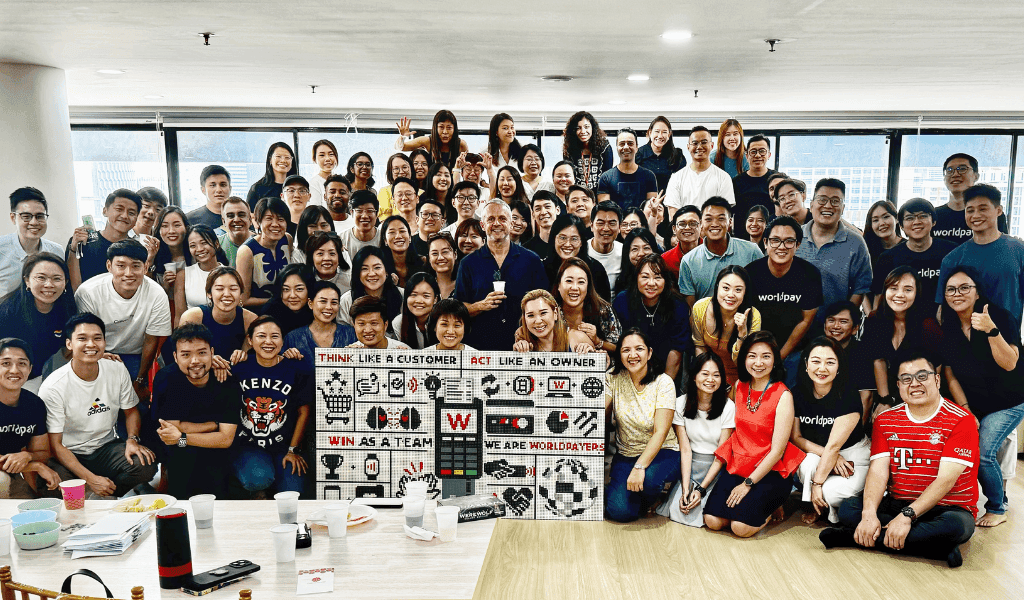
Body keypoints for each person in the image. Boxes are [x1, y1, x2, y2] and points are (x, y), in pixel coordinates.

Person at [819, 352, 978, 568]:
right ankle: (937, 548)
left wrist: (907, 517)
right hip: (898, 501)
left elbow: (945, 481)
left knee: (956, 528)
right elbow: (878, 471)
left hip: (947, 507)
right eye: (906, 378)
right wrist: (869, 515)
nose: (914, 384)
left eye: (922, 376)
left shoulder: (961, 420)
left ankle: (853, 538)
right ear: (898, 385)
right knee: (849, 510)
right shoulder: (885, 420)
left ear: (937, 380)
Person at [939, 267, 1024, 528]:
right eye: (951, 289)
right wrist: (965, 409)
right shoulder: (948, 324)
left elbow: (1010, 364)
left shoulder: (999, 317)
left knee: (984, 452)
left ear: (977, 293)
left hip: (1008, 401)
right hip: (973, 403)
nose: (957, 294)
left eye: (965, 287)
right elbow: (950, 374)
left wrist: (991, 331)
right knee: (963, 447)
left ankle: (997, 507)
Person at [41, 313, 158, 497]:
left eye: (97, 338)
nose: (91, 344)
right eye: (82, 339)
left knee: (145, 463)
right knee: (55, 485)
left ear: (104, 342)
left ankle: (104, 493)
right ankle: (92, 489)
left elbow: (131, 412)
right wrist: (90, 479)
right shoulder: (53, 387)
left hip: (105, 447)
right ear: (69, 344)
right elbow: (55, 445)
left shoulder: (116, 368)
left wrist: (132, 440)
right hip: (69, 452)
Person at [703, 331, 805, 537]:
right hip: (739, 465)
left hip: (770, 471)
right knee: (712, 521)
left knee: (740, 528)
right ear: (744, 359)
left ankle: (771, 508)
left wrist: (748, 484)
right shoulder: (739, 386)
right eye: (752, 356)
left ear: (775, 360)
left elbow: (777, 451)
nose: (758, 363)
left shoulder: (783, 395)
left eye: (766, 356)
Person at [75, 240, 173, 398]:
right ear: (109, 266)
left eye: (136, 266)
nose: (128, 273)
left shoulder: (157, 294)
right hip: (99, 352)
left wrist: (140, 380)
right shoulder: (88, 292)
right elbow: (86, 335)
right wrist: (98, 356)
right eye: (121, 266)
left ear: (145, 267)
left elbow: (151, 340)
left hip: (136, 354)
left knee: (139, 401)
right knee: (97, 398)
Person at [151, 324, 239, 499]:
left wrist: (182, 435)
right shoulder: (166, 379)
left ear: (212, 353)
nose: (195, 361)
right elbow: (169, 431)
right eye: (186, 354)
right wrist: (213, 426)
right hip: (180, 451)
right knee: (182, 490)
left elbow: (225, 439)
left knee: (218, 494)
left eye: (202, 353)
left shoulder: (226, 380)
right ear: (175, 357)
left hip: (216, 452)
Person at [790, 337, 870, 524]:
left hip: (852, 455)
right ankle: (814, 505)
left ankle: (827, 499)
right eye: (816, 361)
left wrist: (817, 483)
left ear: (839, 366)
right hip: (821, 452)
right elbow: (796, 437)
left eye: (830, 362)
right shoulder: (797, 393)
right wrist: (832, 457)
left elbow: (834, 446)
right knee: (807, 462)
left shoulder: (848, 395)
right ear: (806, 364)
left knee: (830, 494)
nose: (822, 368)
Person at [232, 315, 314, 496]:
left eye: (275, 336)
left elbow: (304, 412)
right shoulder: (239, 367)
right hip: (249, 446)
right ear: (250, 340)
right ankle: (256, 493)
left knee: (292, 493)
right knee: (258, 479)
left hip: (285, 447)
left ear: (283, 340)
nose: (268, 342)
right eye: (261, 336)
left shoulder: (296, 368)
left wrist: (292, 450)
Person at [604, 328, 680, 522]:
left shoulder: (664, 382)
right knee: (619, 513)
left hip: (663, 451)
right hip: (626, 453)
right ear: (619, 354)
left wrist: (640, 467)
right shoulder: (613, 378)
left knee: (649, 481)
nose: (633, 355)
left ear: (649, 353)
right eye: (626, 350)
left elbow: (660, 432)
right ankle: (632, 496)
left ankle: (653, 495)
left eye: (639, 349)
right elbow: (598, 412)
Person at [455, 200, 548, 351]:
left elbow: (545, 303)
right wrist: (480, 306)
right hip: (479, 348)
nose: (497, 223)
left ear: (511, 224)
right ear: (483, 225)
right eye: (491, 219)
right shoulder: (467, 263)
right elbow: (457, 308)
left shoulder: (532, 260)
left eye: (502, 218)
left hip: (524, 347)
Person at [656, 352, 735, 526]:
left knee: (708, 516)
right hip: (690, 467)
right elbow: (685, 450)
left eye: (716, 375)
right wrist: (686, 488)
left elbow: (721, 455)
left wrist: (701, 489)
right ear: (694, 376)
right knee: (681, 509)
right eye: (705, 374)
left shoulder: (728, 407)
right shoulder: (680, 403)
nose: (710, 380)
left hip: (716, 469)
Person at [745, 216, 823, 386]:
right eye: (775, 240)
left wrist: (778, 358)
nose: (781, 247)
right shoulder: (750, 273)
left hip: (795, 351)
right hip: (757, 350)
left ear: (797, 244)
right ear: (765, 243)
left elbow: (806, 320)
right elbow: (746, 319)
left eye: (789, 241)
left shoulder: (810, 274)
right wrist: (762, 356)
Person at [937, 184, 1024, 328]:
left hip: (1007, 335)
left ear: (998, 210)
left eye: (983, 209)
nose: (975, 215)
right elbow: (943, 309)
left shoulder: (1019, 250)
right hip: (966, 337)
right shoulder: (952, 259)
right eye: (970, 210)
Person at [862, 266, 941, 409]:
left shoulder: (928, 325)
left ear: (917, 293)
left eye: (908, 290)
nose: (899, 294)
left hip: (921, 392)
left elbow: (936, 367)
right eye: (893, 288)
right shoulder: (875, 319)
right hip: (888, 391)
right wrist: (885, 400)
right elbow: (878, 361)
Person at [0, 253, 77, 392]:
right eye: (41, 278)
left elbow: (70, 345)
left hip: (39, 376)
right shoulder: (7, 312)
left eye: (57, 279)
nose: (49, 285)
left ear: (65, 282)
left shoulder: (67, 309)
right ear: (27, 281)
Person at [795, 178, 872, 317]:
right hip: (793, 324)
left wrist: (842, 320)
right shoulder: (794, 236)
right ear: (811, 205)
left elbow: (860, 288)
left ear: (842, 209)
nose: (828, 205)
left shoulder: (856, 243)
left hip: (834, 326)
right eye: (822, 199)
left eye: (835, 201)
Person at [612, 254, 691, 382]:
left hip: (666, 370)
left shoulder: (677, 305)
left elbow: (676, 350)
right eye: (645, 277)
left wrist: (664, 386)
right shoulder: (622, 301)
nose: (651, 283)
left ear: (665, 280)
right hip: (629, 368)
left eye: (657, 277)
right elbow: (617, 343)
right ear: (636, 278)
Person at [0, 338, 61, 498]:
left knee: (33, 502)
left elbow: (42, 451)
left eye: (22, 363)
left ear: (30, 369)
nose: (14, 370)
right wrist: (36, 466)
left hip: (11, 471)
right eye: (6, 363)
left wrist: (28, 456)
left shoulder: (34, 404)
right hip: (4, 474)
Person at [871, 198, 955, 313]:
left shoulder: (951, 252)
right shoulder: (887, 258)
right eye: (909, 218)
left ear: (934, 221)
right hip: (902, 319)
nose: (916, 222)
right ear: (901, 225)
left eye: (923, 216)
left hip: (944, 318)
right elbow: (879, 298)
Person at [678, 197, 763, 307]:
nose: (714, 224)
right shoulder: (689, 261)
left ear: (730, 222)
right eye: (708, 219)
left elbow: (764, 290)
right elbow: (691, 308)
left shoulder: (752, 251)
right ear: (701, 223)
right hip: (705, 318)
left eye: (721, 218)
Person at [690, 266, 761, 386]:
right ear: (717, 287)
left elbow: (748, 362)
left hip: (742, 375)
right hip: (712, 372)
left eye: (738, 290)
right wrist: (709, 377)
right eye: (726, 288)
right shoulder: (700, 308)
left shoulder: (753, 316)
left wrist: (742, 334)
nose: (731, 295)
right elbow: (699, 346)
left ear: (745, 292)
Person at [179, 265, 257, 362]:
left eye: (233, 289)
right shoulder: (192, 317)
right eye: (219, 289)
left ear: (241, 293)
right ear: (209, 293)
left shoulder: (251, 320)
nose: (227, 294)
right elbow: (183, 355)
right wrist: (206, 359)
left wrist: (243, 355)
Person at [67, 188, 141, 289]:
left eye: (131, 213)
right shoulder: (84, 241)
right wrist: (73, 249)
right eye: (119, 209)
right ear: (105, 211)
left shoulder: (138, 248)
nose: (124, 216)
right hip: (86, 298)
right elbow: (73, 286)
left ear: (136, 219)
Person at [1, 187, 64, 298]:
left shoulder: (56, 251)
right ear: (13, 218)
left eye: (40, 216)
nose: (34, 222)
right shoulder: (2, 248)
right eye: (26, 216)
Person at [933, 153, 1008, 245]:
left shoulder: (991, 214)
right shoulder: (934, 215)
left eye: (962, 169)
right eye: (949, 170)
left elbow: (1002, 246)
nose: (955, 174)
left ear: (976, 176)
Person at [665, 127, 735, 219]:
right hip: (685, 227)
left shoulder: (723, 177)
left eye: (704, 142)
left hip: (713, 227)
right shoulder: (676, 178)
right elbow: (673, 215)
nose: (699, 147)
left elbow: (725, 214)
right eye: (695, 143)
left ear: (712, 145)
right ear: (688, 147)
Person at [552, 257, 620, 353]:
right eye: (569, 281)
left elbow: (619, 348)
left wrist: (597, 341)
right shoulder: (549, 310)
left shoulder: (603, 310)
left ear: (588, 287)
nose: (574, 287)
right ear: (558, 285)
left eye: (581, 282)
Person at [285, 281, 357, 371]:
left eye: (334, 302)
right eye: (323, 301)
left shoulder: (351, 334)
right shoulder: (293, 338)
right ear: (310, 303)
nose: (329, 307)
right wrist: (286, 356)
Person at [237, 196, 292, 308]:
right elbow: (243, 300)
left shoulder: (287, 240)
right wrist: (279, 300)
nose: (275, 224)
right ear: (258, 221)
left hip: (287, 308)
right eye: (269, 218)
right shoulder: (246, 251)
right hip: (258, 313)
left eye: (281, 219)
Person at [545, 214, 612, 301]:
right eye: (562, 238)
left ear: (581, 242)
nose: (567, 244)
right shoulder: (543, 268)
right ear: (553, 239)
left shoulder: (596, 269)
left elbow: (605, 305)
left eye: (574, 239)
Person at [597, 128, 659, 213]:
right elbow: (605, 212)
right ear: (617, 147)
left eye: (630, 143)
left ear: (636, 147)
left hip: (641, 221)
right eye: (622, 144)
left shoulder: (649, 176)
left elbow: (650, 210)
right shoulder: (606, 178)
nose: (626, 147)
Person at [339, 246, 404, 329]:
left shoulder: (403, 295)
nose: (372, 274)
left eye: (377, 267)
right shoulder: (347, 300)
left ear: (386, 271)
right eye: (364, 269)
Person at [512, 289, 594, 353]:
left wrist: (592, 354)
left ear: (555, 313)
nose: (538, 321)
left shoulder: (577, 338)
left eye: (543, 313)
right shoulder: (522, 339)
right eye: (530, 315)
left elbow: (599, 365)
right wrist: (518, 354)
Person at [395, 110, 468, 169]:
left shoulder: (461, 144)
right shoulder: (427, 141)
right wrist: (403, 136)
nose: (445, 132)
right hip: (430, 181)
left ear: (454, 129)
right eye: (441, 127)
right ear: (435, 128)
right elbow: (401, 147)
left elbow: (467, 167)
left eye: (449, 128)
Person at [731, 134, 775, 233]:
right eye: (753, 152)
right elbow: (729, 212)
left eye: (762, 151)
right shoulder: (736, 182)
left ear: (769, 155)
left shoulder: (777, 180)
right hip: (742, 237)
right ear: (747, 156)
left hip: (771, 236)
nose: (758, 155)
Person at [179, 224, 229, 312]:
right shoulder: (183, 275)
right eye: (193, 246)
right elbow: (179, 316)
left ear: (216, 244)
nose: (199, 249)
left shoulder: (230, 274)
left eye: (204, 243)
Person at [562, 111, 614, 190]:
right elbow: (569, 175)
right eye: (578, 128)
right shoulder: (569, 149)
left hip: (601, 192)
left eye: (586, 127)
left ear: (593, 128)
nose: (583, 131)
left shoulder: (604, 147)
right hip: (577, 192)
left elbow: (608, 175)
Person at [259, 264, 313, 336]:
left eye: (299, 289)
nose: (292, 295)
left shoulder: (316, 310)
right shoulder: (269, 311)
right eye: (286, 289)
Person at [636, 116, 686, 192]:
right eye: (657, 131)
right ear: (650, 133)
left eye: (664, 132)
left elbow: (683, 184)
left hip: (670, 199)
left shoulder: (677, 156)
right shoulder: (638, 155)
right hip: (644, 199)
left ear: (669, 134)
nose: (660, 136)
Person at [393, 272, 439, 349]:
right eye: (413, 295)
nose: (419, 301)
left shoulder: (444, 321)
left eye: (426, 296)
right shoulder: (399, 322)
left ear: (435, 299)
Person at [151, 206, 191, 295]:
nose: (171, 231)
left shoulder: (195, 253)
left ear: (186, 227)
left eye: (177, 225)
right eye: (164, 226)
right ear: (158, 230)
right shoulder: (154, 256)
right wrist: (165, 286)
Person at [245, 142, 297, 210]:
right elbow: (250, 214)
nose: (283, 160)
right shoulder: (257, 188)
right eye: (278, 156)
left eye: (287, 157)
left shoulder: (298, 187)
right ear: (270, 160)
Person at [347, 296, 412, 349]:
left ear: (385, 325)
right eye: (361, 324)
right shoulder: (350, 352)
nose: (368, 330)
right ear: (354, 326)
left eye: (374, 323)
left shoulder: (404, 351)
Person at [380, 215, 426, 289]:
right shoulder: (380, 268)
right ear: (385, 240)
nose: (398, 236)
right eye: (392, 232)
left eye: (402, 231)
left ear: (410, 237)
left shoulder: (424, 262)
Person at [613, 227, 661, 298]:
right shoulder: (621, 283)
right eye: (635, 249)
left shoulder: (664, 279)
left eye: (646, 248)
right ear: (627, 253)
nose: (641, 253)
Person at [588, 201, 624, 291]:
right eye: (600, 223)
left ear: (620, 227)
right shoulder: (581, 250)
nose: (606, 228)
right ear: (591, 226)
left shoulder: (625, 252)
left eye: (612, 223)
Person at [304, 230, 351, 298]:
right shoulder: (304, 281)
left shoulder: (349, 280)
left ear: (339, 257)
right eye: (320, 253)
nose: (326, 258)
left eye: (332, 253)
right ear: (312, 257)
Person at [660, 206, 702, 282]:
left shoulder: (715, 254)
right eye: (682, 224)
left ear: (701, 226)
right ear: (674, 229)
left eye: (693, 224)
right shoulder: (665, 260)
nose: (687, 228)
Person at [862, 200, 904, 272]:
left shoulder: (908, 247)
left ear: (896, 219)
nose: (881, 223)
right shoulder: (867, 250)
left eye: (886, 217)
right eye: (875, 220)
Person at [186, 165, 231, 230]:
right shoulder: (190, 220)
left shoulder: (240, 217)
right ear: (203, 190)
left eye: (223, 185)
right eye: (213, 185)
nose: (218, 190)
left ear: (230, 188)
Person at [340, 190, 382, 259]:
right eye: (359, 211)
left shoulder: (384, 239)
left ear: (376, 214)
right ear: (352, 213)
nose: (365, 216)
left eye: (370, 211)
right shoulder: (341, 240)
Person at [523, 190, 559, 260]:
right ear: (533, 215)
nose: (543, 212)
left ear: (557, 210)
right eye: (538, 209)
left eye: (547, 207)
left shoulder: (566, 244)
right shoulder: (526, 250)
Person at [218, 197, 253, 268]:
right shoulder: (216, 246)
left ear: (250, 219)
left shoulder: (262, 243)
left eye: (241, 215)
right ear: (224, 221)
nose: (236, 220)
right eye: (230, 216)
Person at [378, 152, 414, 218]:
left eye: (405, 167)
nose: (401, 172)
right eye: (396, 169)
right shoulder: (385, 192)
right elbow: (384, 220)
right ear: (390, 172)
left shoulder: (421, 192)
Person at [426, 232, 459, 299]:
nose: (440, 258)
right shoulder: (424, 287)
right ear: (429, 258)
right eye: (435, 253)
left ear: (455, 254)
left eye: (445, 252)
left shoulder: (467, 285)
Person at [307, 139, 339, 207]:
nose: (327, 159)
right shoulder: (314, 183)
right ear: (314, 159)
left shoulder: (340, 181)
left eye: (331, 154)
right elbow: (315, 209)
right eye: (322, 155)